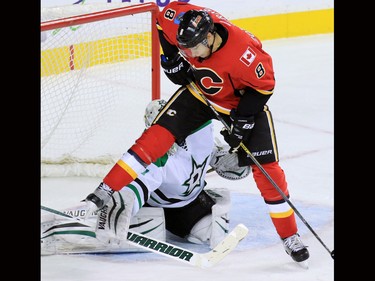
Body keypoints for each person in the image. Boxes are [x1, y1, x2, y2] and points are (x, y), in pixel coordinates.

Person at [82, 1, 309, 263]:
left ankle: (290, 237)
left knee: (268, 172)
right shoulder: (176, 17)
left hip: (239, 104)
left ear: (210, 36)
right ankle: (104, 190)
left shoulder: (245, 53)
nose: (188, 54)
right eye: (184, 48)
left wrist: (244, 119)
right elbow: (160, 23)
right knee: (156, 137)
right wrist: (169, 57)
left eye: (193, 48)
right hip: (200, 95)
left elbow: (264, 87)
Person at [41, 99, 250, 255]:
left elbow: (219, 156)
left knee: (207, 233)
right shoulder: (155, 159)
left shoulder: (199, 134)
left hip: (190, 204)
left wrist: (235, 159)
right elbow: (133, 189)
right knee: (110, 230)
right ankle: (52, 227)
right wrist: (118, 211)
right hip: (151, 207)